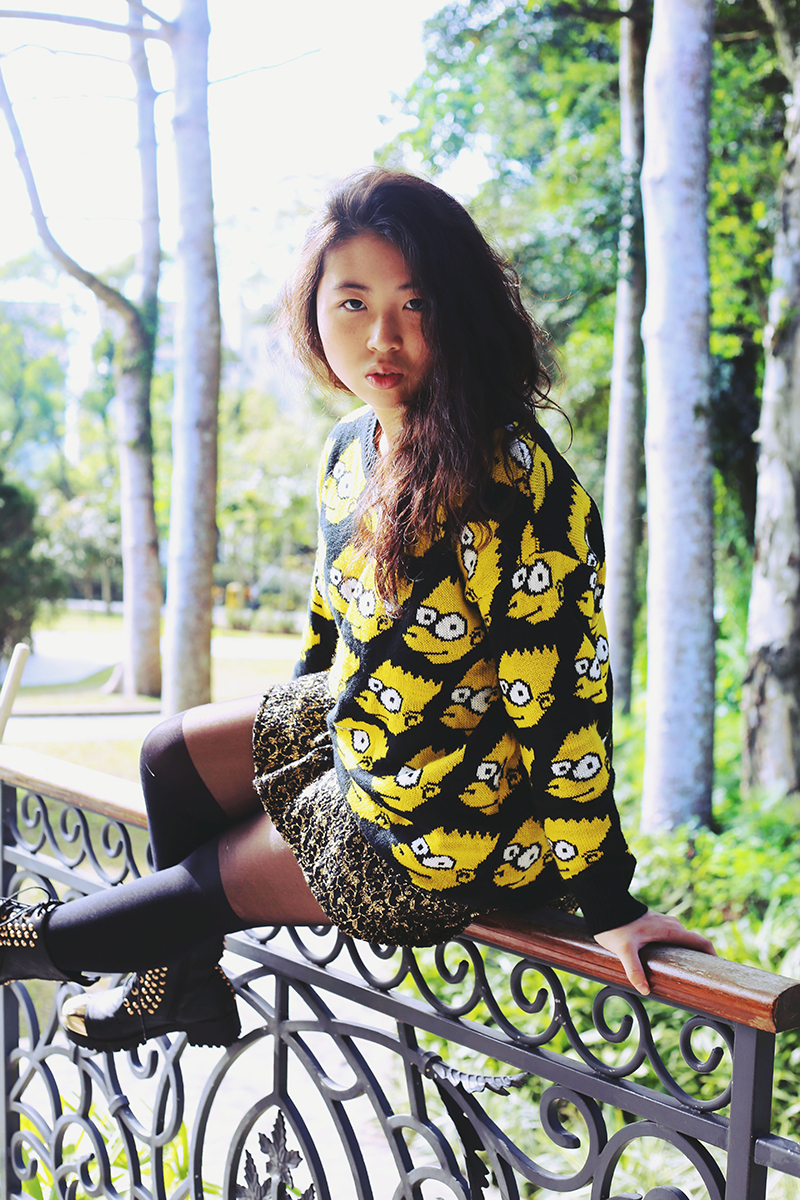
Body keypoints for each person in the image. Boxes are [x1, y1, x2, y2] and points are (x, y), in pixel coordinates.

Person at [0, 168, 713, 1053]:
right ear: (315, 312)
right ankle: (178, 983)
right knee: (170, 755)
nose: (383, 337)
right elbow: (331, 628)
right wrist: (284, 761)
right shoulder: (353, 445)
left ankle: (25, 941)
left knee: (199, 887)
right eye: (353, 303)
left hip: (456, 825)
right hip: (373, 739)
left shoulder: (512, 480)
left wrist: (606, 899)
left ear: (463, 312)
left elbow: (562, 702)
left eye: (417, 304)